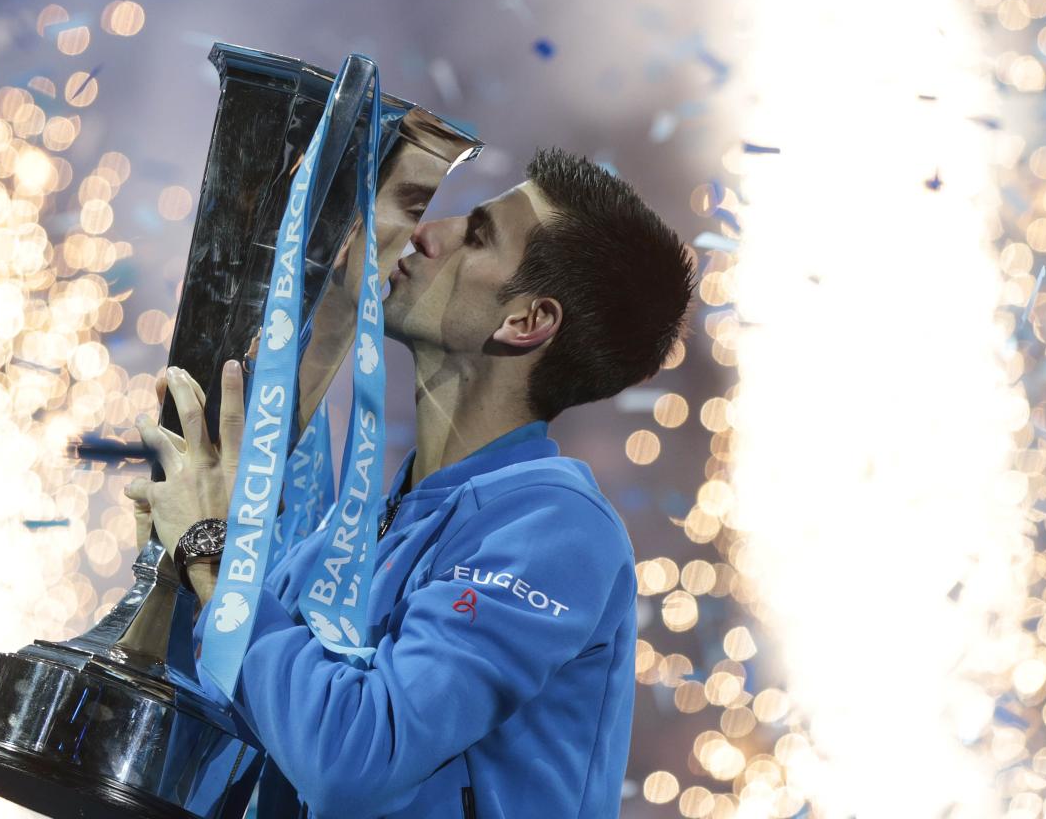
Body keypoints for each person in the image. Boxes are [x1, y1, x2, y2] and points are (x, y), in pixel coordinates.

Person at [126, 147, 696, 818]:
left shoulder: (557, 529)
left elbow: (354, 761)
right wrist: (171, 569)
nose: (427, 233)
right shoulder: (349, 534)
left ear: (526, 321)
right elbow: (207, 727)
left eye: (476, 235)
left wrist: (213, 546)